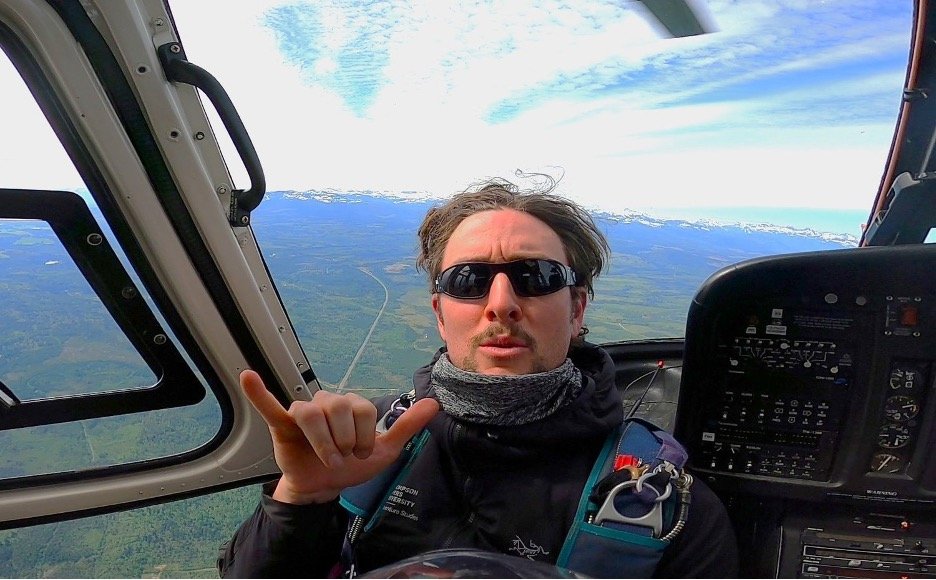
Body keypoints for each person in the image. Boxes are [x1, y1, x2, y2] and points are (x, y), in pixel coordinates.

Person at [218, 178, 739, 578]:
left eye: (536, 277)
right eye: (469, 281)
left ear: (577, 309)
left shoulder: (663, 508)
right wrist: (299, 500)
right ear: (441, 313)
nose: (502, 304)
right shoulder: (361, 443)